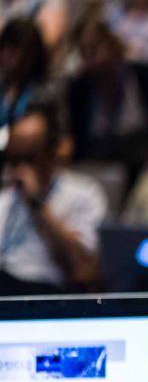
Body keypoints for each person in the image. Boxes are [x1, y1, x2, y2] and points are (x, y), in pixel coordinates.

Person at [0, 103, 106, 296]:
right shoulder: (4, 199)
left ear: (52, 153)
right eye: (14, 160)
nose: (20, 170)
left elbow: (82, 267)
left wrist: (37, 204)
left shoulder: (82, 194)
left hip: (49, 294)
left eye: (29, 158)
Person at [66, 16, 148, 181]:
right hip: (98, 176)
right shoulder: (78, 90)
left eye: (95, 49)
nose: (90, 59)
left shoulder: (147, 78)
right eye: (83, 52)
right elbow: (77, 144)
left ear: (113, 45)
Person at [0, 18, 52, 131]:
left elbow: (30, 137)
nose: (18, 59)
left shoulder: (45, 93)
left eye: (26, 52)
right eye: (12, 48)